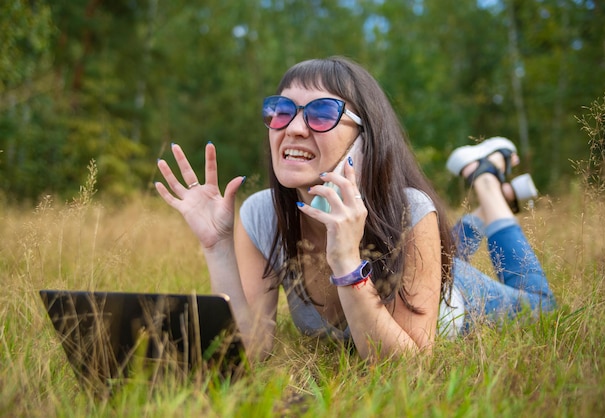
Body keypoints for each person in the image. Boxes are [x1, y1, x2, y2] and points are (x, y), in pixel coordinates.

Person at [155, 56, 556, 362]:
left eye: (322, 113)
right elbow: (253, 349)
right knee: (443, 242)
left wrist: (346, 262)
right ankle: (478, 218)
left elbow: (407, 365)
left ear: (365, 139)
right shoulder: (262, 216)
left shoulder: (410, 210)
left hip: (457, 298)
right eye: (282, 110)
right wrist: (217, 246)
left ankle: (486, 180)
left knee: (541, 304)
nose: (294, 127)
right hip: (419, 252)